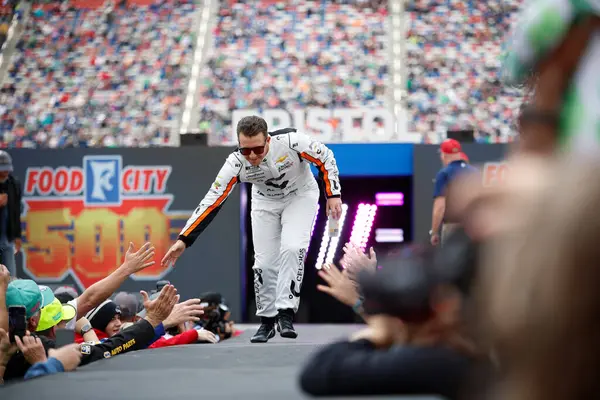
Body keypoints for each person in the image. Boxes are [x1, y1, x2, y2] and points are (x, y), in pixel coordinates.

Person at [162, 116, 342, 343]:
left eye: (258, 149)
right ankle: (267, 321)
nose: (253, 156)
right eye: (246, 151)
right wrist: (184, 239)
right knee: (264, 263)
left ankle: (285, 313)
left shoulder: (292, 142)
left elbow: (325, 157)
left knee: (292, 247)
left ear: (268, 140)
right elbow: (212, 200)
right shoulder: (235, 163)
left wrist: (333, 194)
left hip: (300, 195)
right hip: (264, 202)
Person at [430, 139, 477, 246]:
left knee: (451, 260)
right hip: (473, 226)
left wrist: (434, 232)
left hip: (453, 226)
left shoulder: (444, 173)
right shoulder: (475, 172)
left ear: (444, 155)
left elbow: (440, 207)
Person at [0, 151, 22, 277]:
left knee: (10, 278)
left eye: (6, 169)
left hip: (7, 238)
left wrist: (17, 236)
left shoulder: (14, 184)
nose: (5, 172)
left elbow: (16, 211)